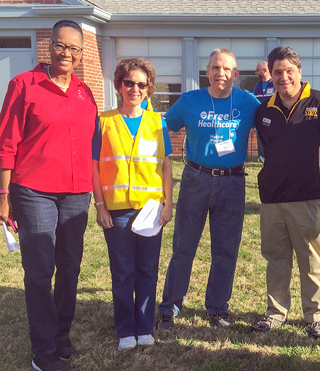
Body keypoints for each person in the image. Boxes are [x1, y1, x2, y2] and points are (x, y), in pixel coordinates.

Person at [0, 20, 97, 371]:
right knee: (40, 270)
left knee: (70, 267)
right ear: (49, 46)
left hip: (76, 191)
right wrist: (3, 193)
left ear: (82, 53)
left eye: (74, 48)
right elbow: (6, 143)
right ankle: (42, 350)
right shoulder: (24, 85)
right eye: (60, 45)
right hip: (34, 191)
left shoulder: (85, 93)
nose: (66, 53)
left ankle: (61, 336)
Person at [250, 46, 320, 340]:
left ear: (299, 72)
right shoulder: (264, 110)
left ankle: (317, 317)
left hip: (310, 199)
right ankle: (275, 313)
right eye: (278, 72)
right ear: (271, 75)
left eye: (289, 71)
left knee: (311, 260)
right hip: (273, 199)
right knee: (275, 258)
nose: (284, 77)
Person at [157, 48, 260, 330]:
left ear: (236, 74)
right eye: (215, 68)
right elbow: (162, 127)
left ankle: (217, 308)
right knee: (184, 246)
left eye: (226, 69)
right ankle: (170, 306)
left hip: (233, 181)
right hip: (195, 179)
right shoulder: (190, 100)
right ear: (207, 72)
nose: (220, 74)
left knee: (226, 249)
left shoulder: (248, 102)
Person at [92, 58, 174, 351]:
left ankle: (144, 326)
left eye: (142, 84)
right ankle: (126, 328)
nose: (135, 89)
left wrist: (168, 204)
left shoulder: (158, 122)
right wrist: (100, 205)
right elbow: (94, 167)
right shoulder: (104, 122)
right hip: (117, 211)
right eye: (129, 83)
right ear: (119, 85)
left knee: (148, 269)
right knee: (123, 271)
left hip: (151, 209)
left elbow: (165, 165)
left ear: (149, 89)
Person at [253, 61, 275, 162]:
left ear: (265, 70)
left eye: (258, 70)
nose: (256, 73)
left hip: (274, 120)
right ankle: (262, 160)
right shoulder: (257, 86)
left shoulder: (275, 84)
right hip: (261, 121)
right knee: (261, 141)